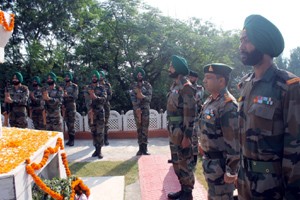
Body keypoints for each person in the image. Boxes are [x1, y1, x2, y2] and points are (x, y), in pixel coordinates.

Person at [237, 14, 300, 199]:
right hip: (245, 181)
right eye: (241, 41)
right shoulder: (245, 84)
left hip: (272, 186)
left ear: (262, 43)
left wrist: (293, 193)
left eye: (247, 41)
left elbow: (295, 145)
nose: (241, 47)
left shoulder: (289, 86)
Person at [199, 63, 239, 200]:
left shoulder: (228, 105)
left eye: (208, 77)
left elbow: (234, 142)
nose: (204, 81)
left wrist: (231, 171)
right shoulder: (210, 100)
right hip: (210, 163)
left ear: (221, 81)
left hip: (221, 167)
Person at [166, 55, 195, 200]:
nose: (169, 69)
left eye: (171, 66)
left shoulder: (186, 87)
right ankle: (182, 189)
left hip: (182, 131)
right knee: (177, 162)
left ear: (177, 69)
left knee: (185, 162)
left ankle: (188, 192)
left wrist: (187, 136)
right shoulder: (174, 86)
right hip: (173, 130)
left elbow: (189, 114)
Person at [129, 67, 152, 156]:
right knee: (139, 128)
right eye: (138, 75)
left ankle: (145, 149)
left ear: (143, 76)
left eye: (141, 74)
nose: (139, 76)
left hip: (145, 109)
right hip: (137, 110)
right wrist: (137, 107)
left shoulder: (147, 85)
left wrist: (142, 95)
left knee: (145, 128)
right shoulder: (132, 86)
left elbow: (149, 98)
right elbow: (132, 97)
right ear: (136, 76)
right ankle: (140, 149)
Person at [84, 70, 107, 159]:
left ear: (98, 78)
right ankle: (96, 149)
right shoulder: (87, 88)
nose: (94, 78)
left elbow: (104, 99)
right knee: (93, 131)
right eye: (93, 76)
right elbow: (86, 100)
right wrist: (90, 108)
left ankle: (99, 150)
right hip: (91, 112)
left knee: (100, 131)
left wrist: (95, 97)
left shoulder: (102, 88)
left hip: (100, 112)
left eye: (95, 77)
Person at [188, 70, 204, 167]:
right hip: (185, 116)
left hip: (195, 117)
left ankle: (194, 159)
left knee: (194, 137)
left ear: (196, 78)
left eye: (192, 77)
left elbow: (197, 99)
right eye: (189, 77)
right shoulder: (186, 87)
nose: (190, 79)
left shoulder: (199, 88)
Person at [62, 72, 79, 146]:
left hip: (71, 105)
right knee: (67, 122)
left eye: (68, 77)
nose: (66, 78)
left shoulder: (74, 86)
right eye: (65, 77)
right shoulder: (63, 86)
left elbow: (75, 96)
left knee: (71, 123)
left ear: (70, 78)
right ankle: (69, 139)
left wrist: (67, 95)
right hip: (65, 106)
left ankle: (72, 140)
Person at [99, 70, 112, 146]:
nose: (100, 77)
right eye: (99, 75)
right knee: (99, 122)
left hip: (106, 105)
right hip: (98, 106)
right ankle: (100, 139)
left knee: (106, 122)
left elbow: (110, 95)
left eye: (101, 75)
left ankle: (106, 139)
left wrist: (103, 100)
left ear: (103, 77)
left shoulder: (107, 85)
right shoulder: (95, 85)